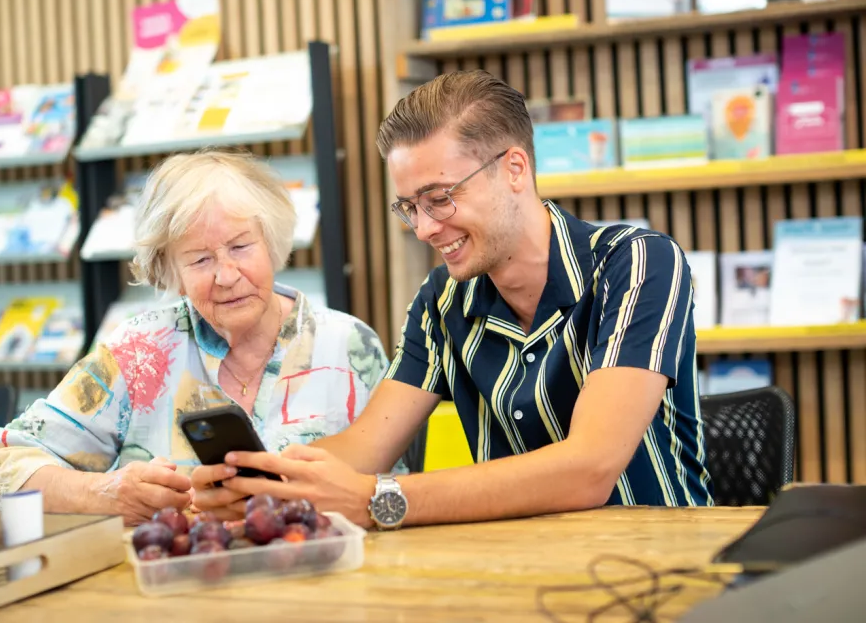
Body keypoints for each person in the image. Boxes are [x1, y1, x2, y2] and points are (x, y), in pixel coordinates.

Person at [191, 70, 714, 528]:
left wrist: (379, 499)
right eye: (408, 207)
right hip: (522, 572)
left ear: (514, 169)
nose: (422, 228)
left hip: (663, 568)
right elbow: (364, 447)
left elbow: (589, 469)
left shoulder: (638, 263)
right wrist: (252, 484)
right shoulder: (442, 299)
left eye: (439, 199)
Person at [0, 150, 391, 525]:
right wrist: (106, 493)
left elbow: (390, 495)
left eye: (241, 246)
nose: (226, 276)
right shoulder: (139, 350)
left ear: (272, 242)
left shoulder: (350, 346)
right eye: (200, 259)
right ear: (170, 272)